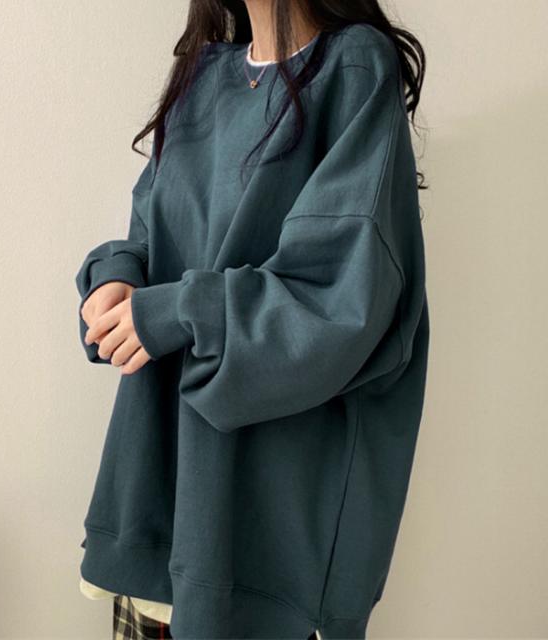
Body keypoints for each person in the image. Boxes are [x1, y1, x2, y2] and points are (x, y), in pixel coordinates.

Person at [75, 1, 429, 638]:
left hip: (264, 532)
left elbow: (342, 299)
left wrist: (179, 310)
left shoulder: (352, 67)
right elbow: (151, 231)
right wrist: (116, 276)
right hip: (160, 492)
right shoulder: (202, 76)